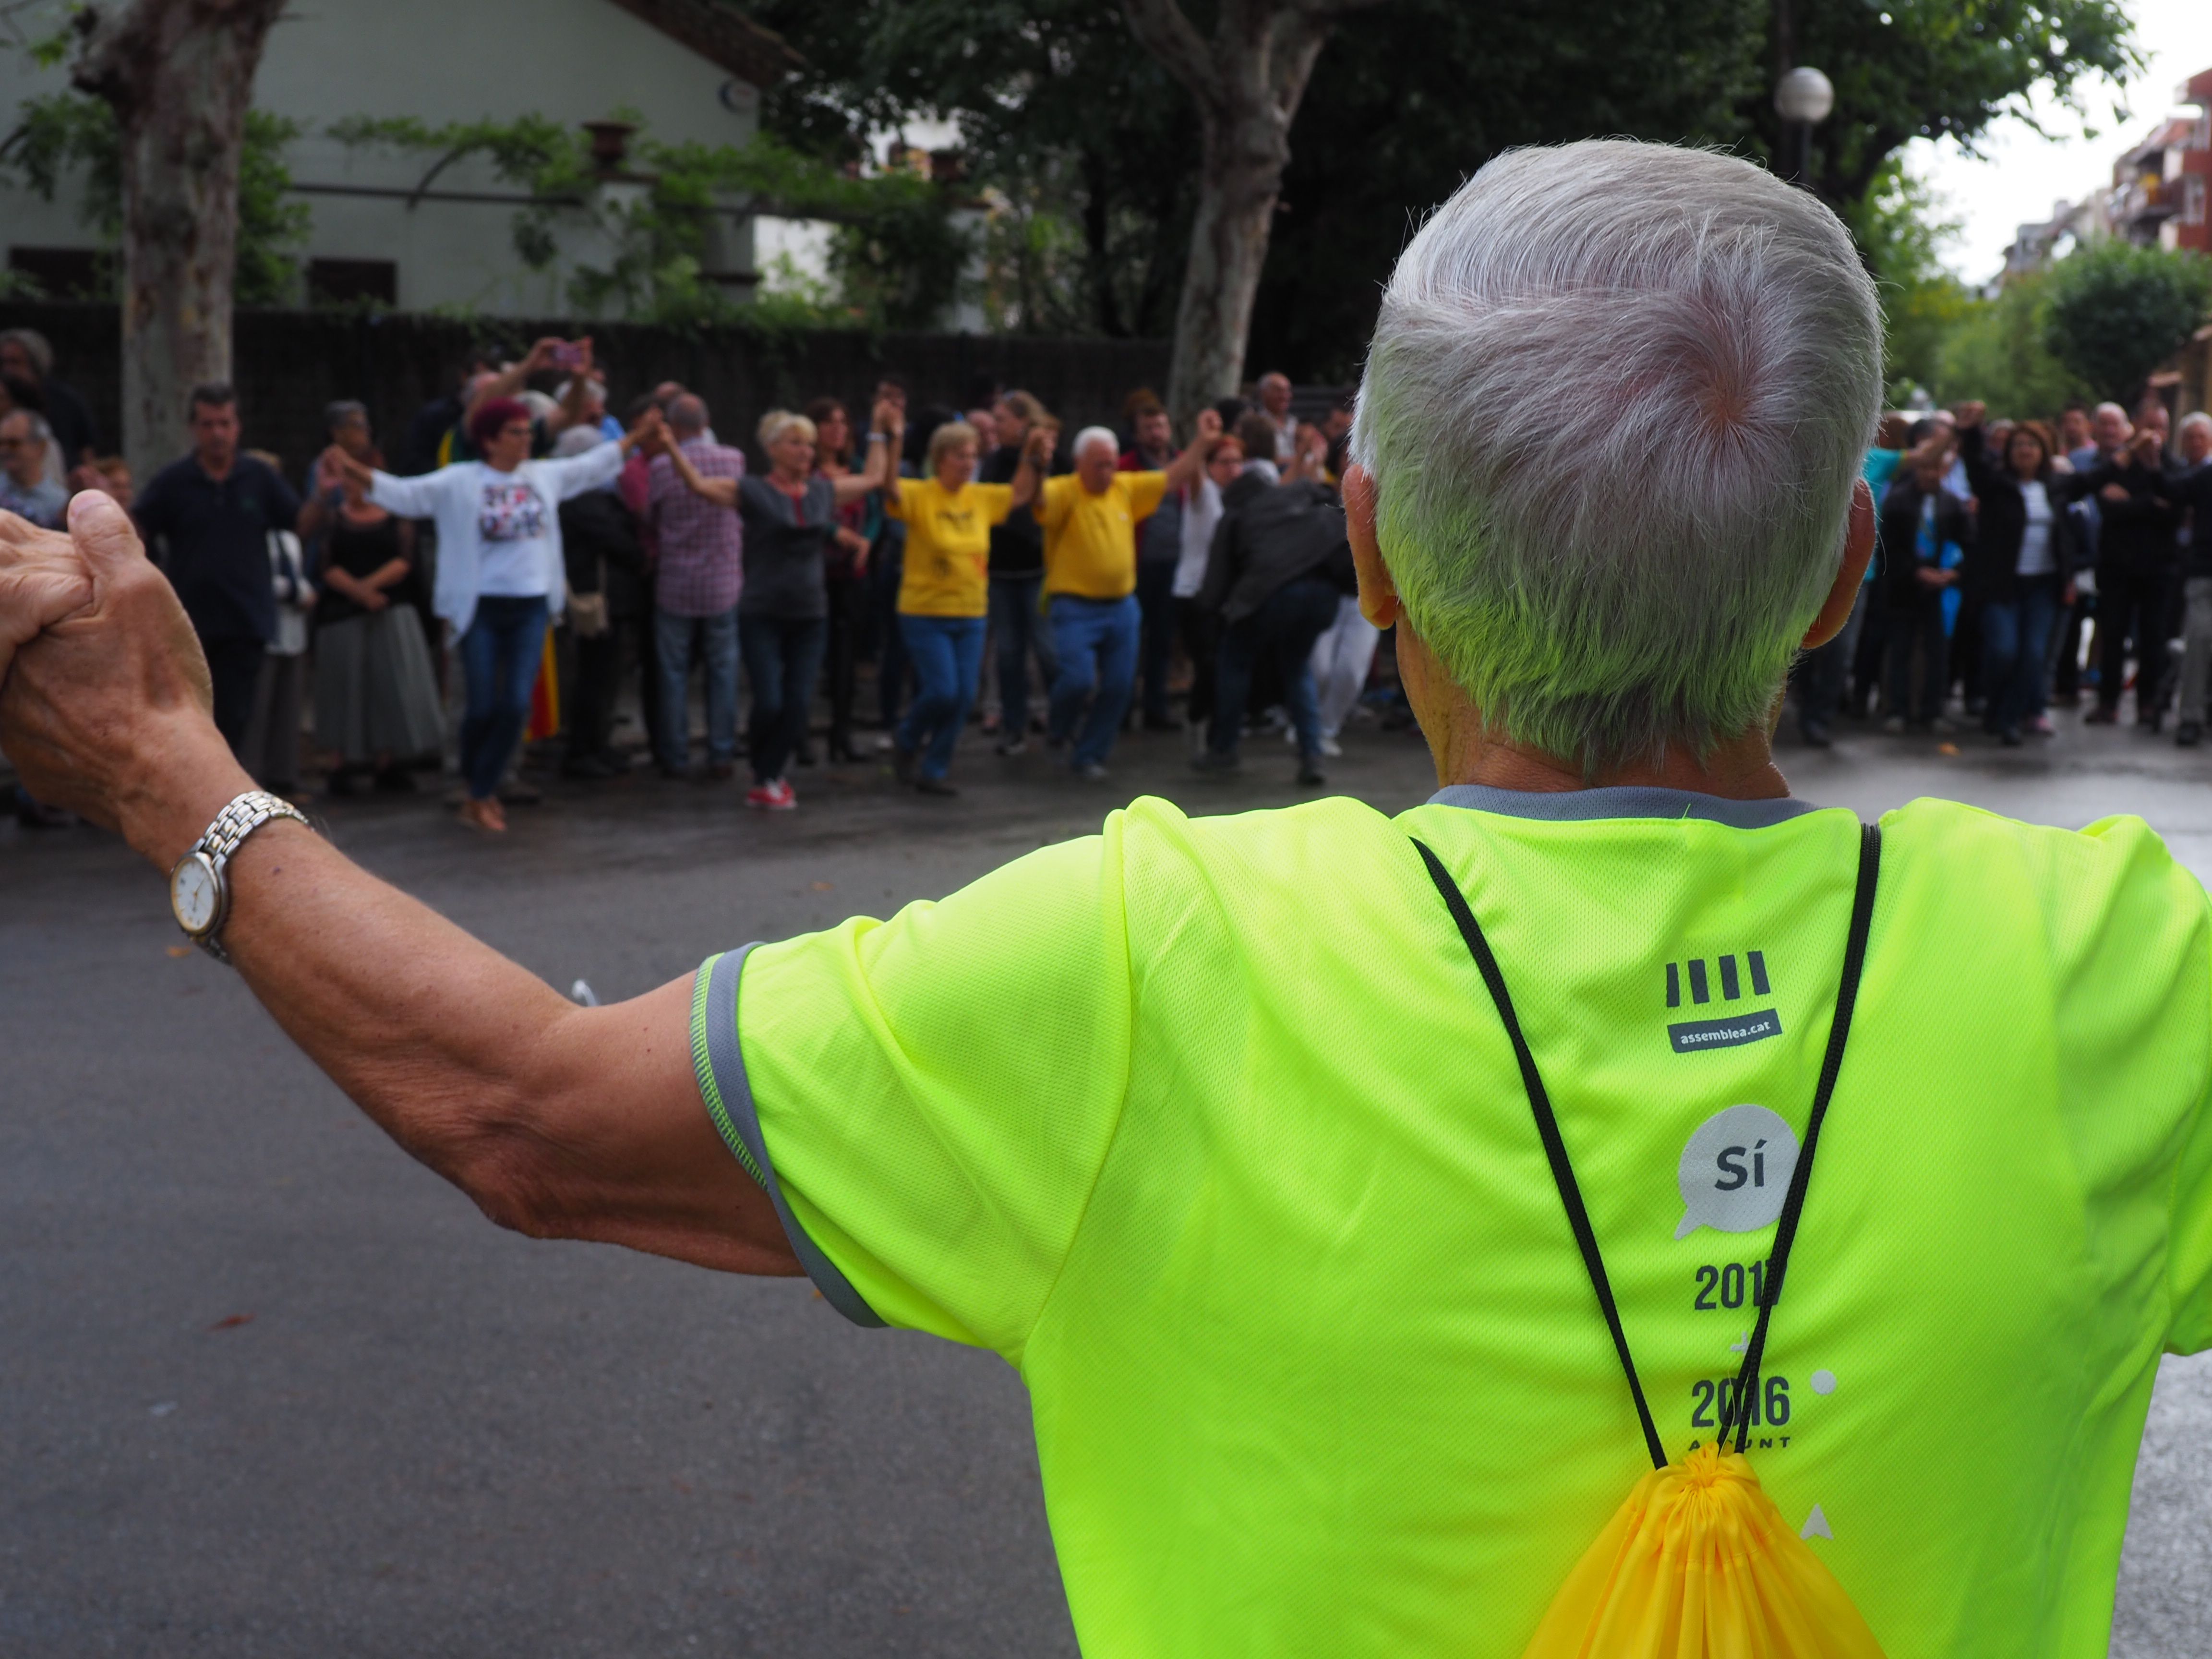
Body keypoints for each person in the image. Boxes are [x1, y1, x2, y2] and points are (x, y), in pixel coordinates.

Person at [30, 138, 2212, 1655]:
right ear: (1839, 575)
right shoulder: (2113, 968)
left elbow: (517, 1104)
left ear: (1368, 550)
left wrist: (165, 770)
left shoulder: (1160, 957)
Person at [322, 398, 662, 832]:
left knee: (516, 702)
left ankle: (481, 793)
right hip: (480, 607)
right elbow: (406, 495)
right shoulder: (461, 481)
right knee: (480, 706)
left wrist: (637, 436)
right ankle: (471, 784)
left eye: (527, 432)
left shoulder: (544, 476)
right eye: (515, 433)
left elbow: (595, 465)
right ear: (489, 440)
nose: (526, 440)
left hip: (531, 605)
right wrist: (353, 469)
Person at [660, 405, 896, 810]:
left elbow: (874, 478)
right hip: (762, 612)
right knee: (770, 700)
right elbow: (699, 485)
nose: (805, 451)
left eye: (808, 444)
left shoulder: (822, 491)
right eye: (795, 443)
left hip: (810, 613)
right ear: (773, 448)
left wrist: (877, 430)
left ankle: (769, 776)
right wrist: (669, 445)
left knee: (799, 703)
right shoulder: (752, 490)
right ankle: (763, 768)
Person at [132, 384, 327, 753]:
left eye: (225, 423)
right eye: (208, 424)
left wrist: (323, 495)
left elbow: (299, 523)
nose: (217, 433)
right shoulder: (175, 481)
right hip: (188, 625)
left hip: (244, 621)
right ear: (194, 428)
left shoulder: (259, 476)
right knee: (190, 721)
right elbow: (140, 527)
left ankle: (226, 804)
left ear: (238, 427)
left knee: (234, 723)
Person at [1037, 418, 1216, 780]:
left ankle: (1089, 754)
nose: (1107, 471)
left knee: (1120, 685)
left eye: (1112, 463)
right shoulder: (1063, 491)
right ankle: (1058, 730)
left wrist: (1202, 442)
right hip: (1074, 606)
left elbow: (1171, 477)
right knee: (1077, 680)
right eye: (1099, 464)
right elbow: (1034, 500)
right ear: (1079, 463)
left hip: (1121, 606)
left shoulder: (1124, 488)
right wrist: (1036, 460)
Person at [881, 419, 1043, 794]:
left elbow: (1020, 493)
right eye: (959, 456)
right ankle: (907, 739)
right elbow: (888, 486)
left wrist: (1033, 453)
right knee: (942, 690)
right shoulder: (920, 494)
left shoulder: (981, 497)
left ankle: (934, 769)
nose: (968, 463)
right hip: (925, 612)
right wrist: (893, 439)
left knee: (964, 696)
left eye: (972, 455)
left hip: (970, 612)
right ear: (939, 459)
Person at [1191, 441, 1352, 784]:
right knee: (1297, 668)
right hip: (1322, 595)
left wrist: (1208, 615)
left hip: (1271, 596)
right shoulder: (1294, 495)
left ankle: (1224, 749)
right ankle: (1312, 756)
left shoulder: (1236, 514)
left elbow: (1215, 582)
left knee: (1234, 663)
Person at [309, 442, 444, 792]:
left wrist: (370, 588)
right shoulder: (336, 520)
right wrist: (358, 592)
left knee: (389, 686)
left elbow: (405, 560)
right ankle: (344, 761)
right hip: (343, 613)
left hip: (388, 607)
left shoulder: (396, 519)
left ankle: (389, 760)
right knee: (345, 685)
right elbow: (327, 564)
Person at [1952, 406, 2074, 745]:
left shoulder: (2056, 487)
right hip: (2002, 586)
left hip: (2043, 586)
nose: (2025, 451)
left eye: (2032, 446)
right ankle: (1994, 703)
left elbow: (2092, 483)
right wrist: (1971, 431)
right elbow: (1975, 465)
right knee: (2004, 650)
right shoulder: (1996, 485)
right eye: (2019, 445)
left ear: (2043, 452)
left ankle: (2008, 718)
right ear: (2009, 452)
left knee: (2034, 655)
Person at [645, 394, 745, 781]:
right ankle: (721, 752)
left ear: (674, 427)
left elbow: (650, 515)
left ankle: (675, 754)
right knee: (723, 670)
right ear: (706, 422)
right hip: (723, 581)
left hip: (676, 582)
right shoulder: (734, 459)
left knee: (672, 673)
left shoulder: (660, 466)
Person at [2066, 427, 2180, 729]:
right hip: (2116, 566)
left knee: (2153, 637)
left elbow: (2174, 514)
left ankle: (2148, 702)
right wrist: (2150, 504)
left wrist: (2131, 503)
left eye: (2158, 429)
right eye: (2147, 428)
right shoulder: (2118, 465)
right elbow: (2106, 507)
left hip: (2159, 568)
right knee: (2112, 634)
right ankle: (2108, 701)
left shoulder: (2172, 467)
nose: (2151, 437)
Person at [552, 425, 648, 781]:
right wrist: (640, 555)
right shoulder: (582, 498)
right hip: (598, 596)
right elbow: (616, 540)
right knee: (595, 676)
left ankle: (597, 743)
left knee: (605, 675)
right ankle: (583, 749)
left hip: (610, 596)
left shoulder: (588, 495)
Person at [980, 391, 1057, 754]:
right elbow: (1002, 503)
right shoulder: (996, 461)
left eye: (1002, 419)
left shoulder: (1054, 459)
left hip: (1039, 568)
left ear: (1023, 422)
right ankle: (1014, 727)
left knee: (1047, 649)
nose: (995, 427)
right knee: (1009, 652)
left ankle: (1061, 721)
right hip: (1002, 571)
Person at [1875, 434, 1968, 733]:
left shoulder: (1953, 505)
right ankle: (1899, 709)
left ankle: (1932, 710)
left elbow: (1969, 543)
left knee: (1938, 651)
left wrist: (1954, 574)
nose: (1930, 474)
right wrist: (1915, 571)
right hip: (1905, 586)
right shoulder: (1899, 501)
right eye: (1926, 469)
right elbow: (1889, 546)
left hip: (1941, 589)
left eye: (1936, 469)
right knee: (1900, 649)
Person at [808, 397, 878, 763]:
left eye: (843, 422)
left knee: (846, 658)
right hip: (817, 574)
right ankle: (800, 736)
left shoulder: (856, 467)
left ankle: (842, 733)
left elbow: (875, 510)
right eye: (829, 422)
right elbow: (804, 508)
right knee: (811, 655)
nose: (838, 429)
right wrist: (834, 531)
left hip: (853, 573)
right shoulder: (808, 470)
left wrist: (867, 537)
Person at [1173, 432, 1247, 747]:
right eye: (1225, 462)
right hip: (1194, 593)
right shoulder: (1204, 496)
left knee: (1225, 664)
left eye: (1237, 462)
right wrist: (1202, 438)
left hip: (1226, 596)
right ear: (1211, 466)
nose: (1232, 469)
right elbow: (1191, 471)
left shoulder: (1244, 498)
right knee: (1209, 663)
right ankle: (1196, 718)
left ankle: (1216, 729)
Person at [1119, 399, 1183, 731]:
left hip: (1173, 563)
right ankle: (1123, 706)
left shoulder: (1181, 462)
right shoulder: (1125, 466)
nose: (1157, 434)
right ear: (1137, 434)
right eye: (1149, 428)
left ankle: (1156, 706)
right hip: (1137, 563)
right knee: (1131, 638)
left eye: (1161, 426)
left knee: (1162, 638)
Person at [2158, 412, 2212, 745]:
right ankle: (2190, 716)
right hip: (2204, 575)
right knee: (2198, 642)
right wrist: (2155, 454)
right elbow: (2170, 489)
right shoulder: (2206, 477)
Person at [0, 327, 99, 470]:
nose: (8, 370)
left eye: (15, 362)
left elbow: (87, 453)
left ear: (35, 364)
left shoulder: (66, 402)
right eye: (3, 363)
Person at [0, 410, 67, 528]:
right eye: (1, 443)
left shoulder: (60, 501)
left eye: (13, 443)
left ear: (40, 447)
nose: (4, 450)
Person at [1255, 371, 1298, 465]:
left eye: (1287, 391)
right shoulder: (1256, 423)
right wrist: (1298, 460)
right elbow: (1262, 460)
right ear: (1264, 393)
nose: (1285, 396)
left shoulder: (1294, 422)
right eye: (1279, 390)